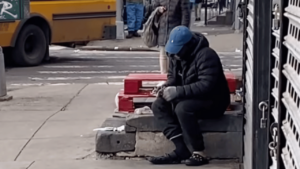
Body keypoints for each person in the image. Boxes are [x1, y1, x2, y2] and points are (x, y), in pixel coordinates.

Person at [149, 26, 230, 166]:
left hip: (213, 100)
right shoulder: (176, 56)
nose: (175, 56)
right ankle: (181, 149)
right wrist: (166, 86)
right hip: (189, 95)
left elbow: (206, 85)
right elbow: (173, 76)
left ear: (188, 46)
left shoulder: (207, 55)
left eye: (178, 52)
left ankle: (199, 152)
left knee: (183, 108)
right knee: (158, 105)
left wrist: (177, 91)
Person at [151, 0, 190, 74]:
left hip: (176, 31)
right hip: (162, 30)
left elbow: (185, 15)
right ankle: (163, 75)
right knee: (163, 54)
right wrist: (158, 10)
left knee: (174, 56)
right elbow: (153, 9)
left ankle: (173, 76)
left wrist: (183, 31)